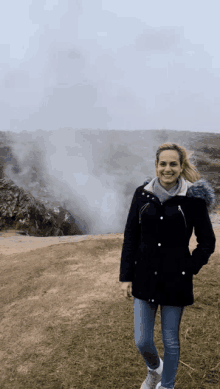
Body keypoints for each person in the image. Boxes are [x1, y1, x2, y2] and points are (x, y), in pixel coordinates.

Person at [119, 143, 216, 389]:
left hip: (176, 280)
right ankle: (155, 371)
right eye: (163, 163)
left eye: (173, 164)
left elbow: (208, 241)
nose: (167, 169)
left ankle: (167, 385)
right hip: (144, 277)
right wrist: (125, 276)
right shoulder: (142, 194)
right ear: (156, 166)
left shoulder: (193, 199)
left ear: (181, 167)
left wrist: (190, 266)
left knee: (171, 341)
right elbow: (131, 235)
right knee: (142, 341)